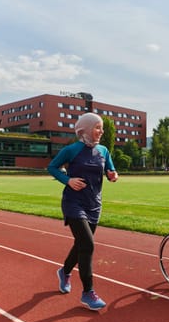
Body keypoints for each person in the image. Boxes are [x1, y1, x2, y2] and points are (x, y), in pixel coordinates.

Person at [48, 112, 118, 311]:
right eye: (97, 127)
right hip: (73, 203)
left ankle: (65, 272)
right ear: (85, 129)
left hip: (94, 204)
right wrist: (67, 180)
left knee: (81, 244)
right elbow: (52, 167)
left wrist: (113, 175)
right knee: (87, 244)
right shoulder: (71, 150)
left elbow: (111, 171)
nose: (101, 132)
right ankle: (88, 292)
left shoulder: (104, 151)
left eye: (101, 128)